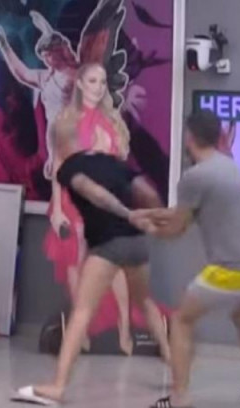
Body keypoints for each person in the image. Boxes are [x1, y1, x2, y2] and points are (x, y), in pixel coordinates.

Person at [13, 113, 170, 405]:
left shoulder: (69, 167)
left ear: (57, 143)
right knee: (145, 302)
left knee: (82, 312)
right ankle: (176, 369)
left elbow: (93, 192)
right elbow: (146, 191)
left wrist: (125, 213)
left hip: (109, 246)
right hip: (136, 243)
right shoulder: (112, 162)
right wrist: (157, 219)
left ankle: (58, 387)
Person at [133, 110, 240, 407]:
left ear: (189, 137)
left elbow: (176, 230)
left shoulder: (194, 177)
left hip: (233, 270)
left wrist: (146, 226)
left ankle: (179, 398)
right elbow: (184, 214)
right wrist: (149, 213)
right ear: (218, 136)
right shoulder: (229, 166)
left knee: (181, 320)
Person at [42, 62, 167, 354]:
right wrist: (57, 208)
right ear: (80, 84)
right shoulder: (66, 120)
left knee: (117, 262)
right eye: (92, 81)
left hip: (106, 200)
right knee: (75, 261)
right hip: (74, 199)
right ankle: (81, 330)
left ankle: (124, 327)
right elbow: (59, 166)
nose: (98, 87)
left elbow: (117, 165)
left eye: (102, 81)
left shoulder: (111, 121)